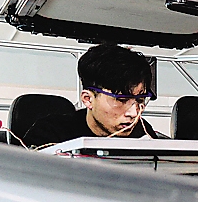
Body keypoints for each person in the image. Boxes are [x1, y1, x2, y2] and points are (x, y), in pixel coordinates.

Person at [23, 44, 165, 147]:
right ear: (88, 99)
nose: (134, 113)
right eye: (121, 100)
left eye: (140, 99)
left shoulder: (142, 133)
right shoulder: (50, 134)